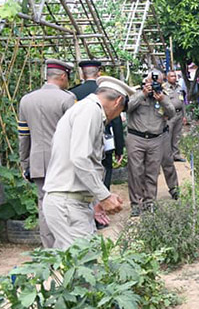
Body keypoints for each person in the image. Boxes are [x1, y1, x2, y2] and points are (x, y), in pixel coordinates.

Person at [42, 77, 133, 249]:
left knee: (69, 267)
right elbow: (80, 158)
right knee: (82, 266)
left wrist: (93, 202)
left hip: (71, 202)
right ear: (118, 101)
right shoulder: (90, 111)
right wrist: (104, 196)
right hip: (67, 204)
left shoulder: (86, 109)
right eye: (121, 110)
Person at [17, 59, 76, 248]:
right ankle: (67, 249)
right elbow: (76, 133)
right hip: (64, 161)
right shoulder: (67, 99)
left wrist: (25, 163)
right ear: (63, 76)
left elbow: (23, 136)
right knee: (68, 203)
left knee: (44, 206)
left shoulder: (26, 99)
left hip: (38, 161)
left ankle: (49, 250)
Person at [70, 60, 126, 228]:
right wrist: (119, 145)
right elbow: (115, 122)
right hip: (105, 141)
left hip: (86, 146)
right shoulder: (98, 101)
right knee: (104, 170)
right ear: (99, 73)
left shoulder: (74, 94)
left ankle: (97, 206)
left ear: (82, 74)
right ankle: (101, 203)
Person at [126, 70, 177, 215]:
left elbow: (172, 113)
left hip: (156, 139)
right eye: (152, 82)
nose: (154, 85)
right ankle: (136, 204)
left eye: (158, 83)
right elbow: (128, 107)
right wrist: (143, 94)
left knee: (152, 172)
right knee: (136, 172)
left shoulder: (162, 95)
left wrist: (162, 99)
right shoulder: (135, 92)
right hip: (136, 138)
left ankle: (150, 203)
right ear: (146, 81)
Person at [164, 70, 186, 162]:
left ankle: (176, 155)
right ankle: (168, 156)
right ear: (167, 78)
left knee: (177, 135)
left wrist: (184, 115)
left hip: (179, 114)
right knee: (168, 135)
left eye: (175, 76)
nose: (174, 78)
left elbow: (182, 102)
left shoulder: (179, 88)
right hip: (169, 115)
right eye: (172, 76)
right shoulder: (164, 88)